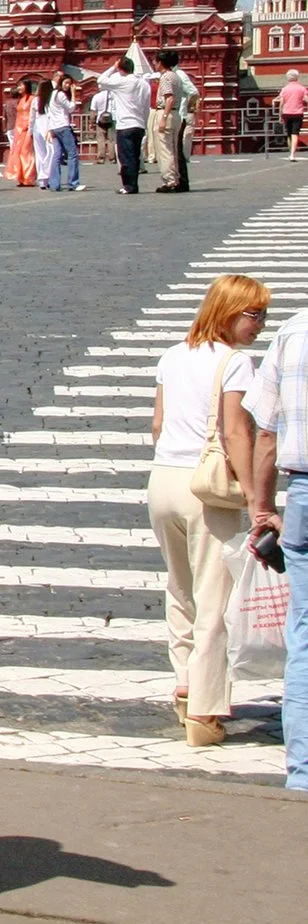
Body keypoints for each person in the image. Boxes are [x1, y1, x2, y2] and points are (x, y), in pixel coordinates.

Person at [148, 273, 268, 748]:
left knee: (180, 589)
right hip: (207, 488)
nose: (260, 324)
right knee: (214, 601)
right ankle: (204, 708)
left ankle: (183, 683)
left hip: (163, 480)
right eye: (254, 314)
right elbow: (237, 433)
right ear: (229, 312)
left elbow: (158, 424)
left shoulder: (172, 355)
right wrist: (256, 498)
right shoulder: (235, 364)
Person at [239, 293, 308, 791]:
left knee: (304, 637)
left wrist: (262, 509)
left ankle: (302, 774)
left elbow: (266, 433)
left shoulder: (294, 330)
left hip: (304, 491)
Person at [94, 57, 150, 195]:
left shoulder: (122, 82)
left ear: (120, 69)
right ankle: (133, 184)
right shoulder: (144, 84)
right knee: (135, 156)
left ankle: (129, 186)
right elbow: (146, 106)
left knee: (126, 157)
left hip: (125, 125)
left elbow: (101, 80)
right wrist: (144, 122)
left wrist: (113, 67)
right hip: (139, 124)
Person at [152, 51, 197, 193]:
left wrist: (163, 118)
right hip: (177, 114)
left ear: (161, 62)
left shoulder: (166, 77)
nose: (154, 64)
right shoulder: (176, 76)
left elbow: (169, 98)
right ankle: (176, 179)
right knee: (174, 150)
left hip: (166, 112)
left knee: (165, 150)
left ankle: (170, 180)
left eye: (156, 61)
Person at [43, 77, 82, 192]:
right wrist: (73, 94)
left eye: (70, 83)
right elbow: (71, 108)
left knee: (57, 155)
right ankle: (73, 183)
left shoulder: (52, 94)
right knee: (72, 154)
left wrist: (50, 128)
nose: (68, 85)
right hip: (63, 126)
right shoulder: (60, 94)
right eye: (66, 83)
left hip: (54, 127)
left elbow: (49, 113)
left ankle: (54, 184)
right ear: (61, 83)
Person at [281, 68, 308, 162]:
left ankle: (290, 153)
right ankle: (293, 154)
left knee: (289, 133)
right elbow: (306, 99)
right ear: (297, 77)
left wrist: (280, 114)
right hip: (297, 113)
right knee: (295, 134)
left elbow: (281, 103)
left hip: (286, 113)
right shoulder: (301, 88)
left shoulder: (285, 89)